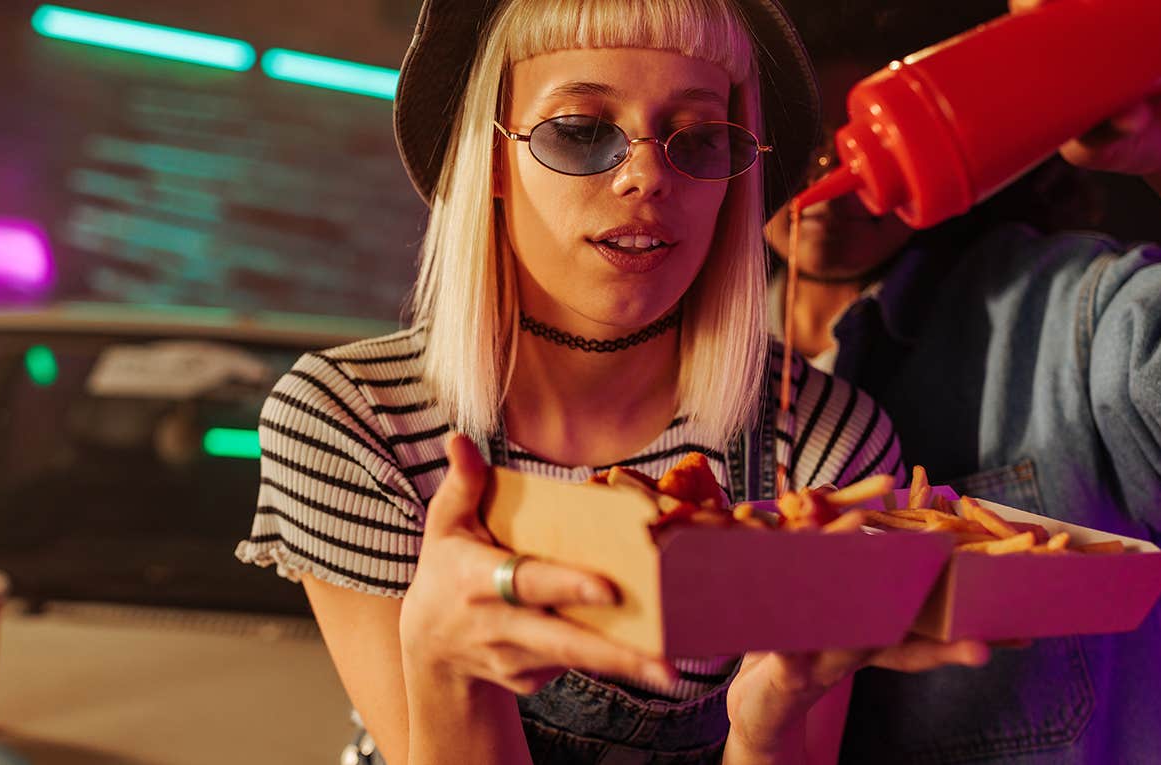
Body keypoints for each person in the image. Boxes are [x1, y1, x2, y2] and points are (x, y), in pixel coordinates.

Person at [235, 0, 994, 762]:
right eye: (582, 131)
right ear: (491, 158)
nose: (647, 175)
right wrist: (445, 669)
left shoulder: (824, 445)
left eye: (697, 139)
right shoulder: (357, 424)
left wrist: (767, 727)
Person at [765, 0, 1161, 761]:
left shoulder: (1061, 315)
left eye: (843, 141)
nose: (825, 178)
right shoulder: (687, 356)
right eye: (794, 142)